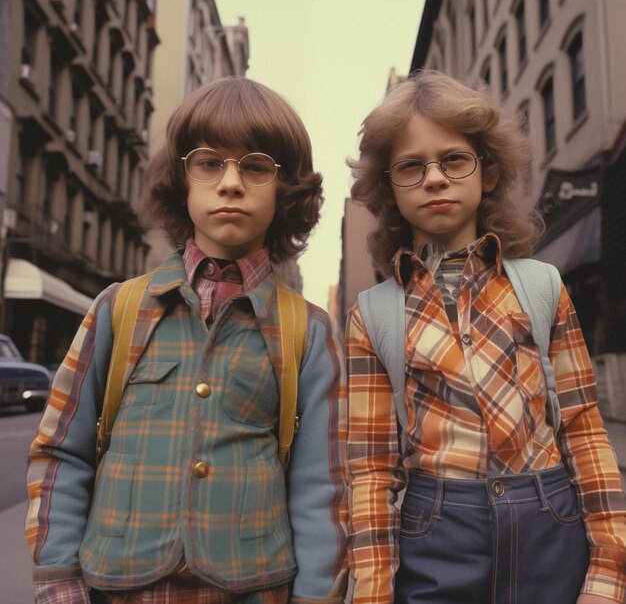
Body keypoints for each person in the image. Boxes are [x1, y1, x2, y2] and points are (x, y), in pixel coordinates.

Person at [25, 78, 348, 604]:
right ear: (180, 180)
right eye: (209, 163)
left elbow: (322, 488)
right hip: (116, 587)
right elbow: (62, 451)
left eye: (256, 166)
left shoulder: (307, 332)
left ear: (287, 189)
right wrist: (58, 577)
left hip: (254, 587)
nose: (231, 183)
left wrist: (315, 595)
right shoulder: (118, 310)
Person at [345, 69, 626, 604]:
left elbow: (585, 430)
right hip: (435, 537)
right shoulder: (373, 315)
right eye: (410, 166)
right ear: (388, 188)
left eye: (453, 159)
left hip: (551, 526)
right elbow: (371, 470)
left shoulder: (542, 285)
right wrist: (373, 592)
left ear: (487, 172)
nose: (434, 178)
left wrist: (610, 573)